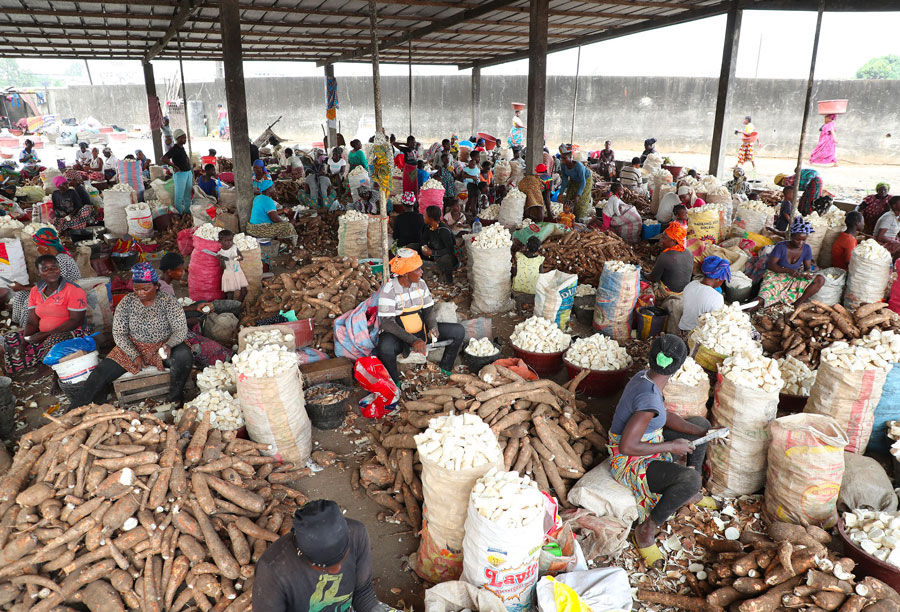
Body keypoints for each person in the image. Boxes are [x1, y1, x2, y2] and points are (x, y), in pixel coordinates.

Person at [608, 334, 711, 566]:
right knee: (690, 479)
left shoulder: (645, 378)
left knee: (701, 426)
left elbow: (663, 416)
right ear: (678, 366)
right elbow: (627, 446)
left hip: (646, 442)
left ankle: (689, 493)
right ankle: (646, 529)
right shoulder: (648, 400)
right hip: (630, 461)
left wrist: (701, 433)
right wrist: (672, 446)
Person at [72, 263, 193, 408]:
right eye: (136, 289)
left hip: (163, 345)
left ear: (156, 286)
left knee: (184, 357)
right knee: (100, 373)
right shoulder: (127, 302)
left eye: (145, 289)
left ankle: (174, 400)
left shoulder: (169, 302)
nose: (140, 292)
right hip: (133, 346)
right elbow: (119, 333)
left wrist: (169, 344)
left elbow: (180, 330)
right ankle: (73, 411)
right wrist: (133, 354)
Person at [252, 499, 389, 612]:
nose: (337, 570)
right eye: (326, 567)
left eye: (343, 557)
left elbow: (362, 590)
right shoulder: (272, 571)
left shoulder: (357, 533)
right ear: (301, 553)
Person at [374, 249, 466, 384]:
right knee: (384, 346)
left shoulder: (421, 284)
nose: (421, 272)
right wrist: (412, 340)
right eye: (417, 270)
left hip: (422, 332)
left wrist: (432, 327)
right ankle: (395, 382)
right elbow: (387, 323)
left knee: (458, 331)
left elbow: (428, 310)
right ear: (405, 273)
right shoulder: (389, 290)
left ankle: (445, 370)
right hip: (401, 337)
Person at [1, 254, 89, 375]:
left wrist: (44, 335)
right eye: (45, 268)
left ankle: (53, 373)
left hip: (73, 333)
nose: (51, 271)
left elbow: (76, 321)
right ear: (38, 272)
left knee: (52, 341)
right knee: (9, 340)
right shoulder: (35, 291)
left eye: (54, 267)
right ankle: (40, 360)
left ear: (59, 269)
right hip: (43, 334)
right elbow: (32, 321)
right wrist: (24, 343)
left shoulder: (74, 290)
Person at [759, 219, 825, 307]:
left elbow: (807, 268)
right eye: (798, 239)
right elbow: (770, 265)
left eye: (804, 240)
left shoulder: (806, 248)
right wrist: (788, 270)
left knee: (820, 279)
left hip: (793, 277)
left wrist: (806, 274)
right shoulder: (781, 246)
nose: (801, 243)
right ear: (791, 236)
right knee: (763, 298)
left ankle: (797, 304)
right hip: (776, 276)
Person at [678, 256, 729, 335]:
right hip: (695, 336)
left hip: (681, 329)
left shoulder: (691, 284)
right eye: (723, 279)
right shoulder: (717, 298)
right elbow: (716, 323)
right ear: (718, 279)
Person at [648, 223, 693, 295]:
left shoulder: (665, 256)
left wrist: (642, 272)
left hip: (669, 292)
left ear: (674, 241)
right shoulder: (688, 252)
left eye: (664, 238)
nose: (661, 240)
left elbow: (653, 278)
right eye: (662, 237)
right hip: (684, 291)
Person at [248, 178, 298, 243]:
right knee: (287, 226)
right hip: (260, 230)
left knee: (284, 224)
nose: (275, 190)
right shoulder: (268, 200)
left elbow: (269, 212)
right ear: (269, 189)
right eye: (273, 188)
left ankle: (281, 240)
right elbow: (275, 219)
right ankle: (286, 243)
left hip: (252, 228)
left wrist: (282, 210)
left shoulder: (258, 197)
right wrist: (290, 223)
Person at [421, 206, 457, 283]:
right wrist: (424, 247)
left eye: (425, 215)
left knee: (446, 259)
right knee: (412, 247)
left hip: (446, 256)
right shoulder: (428, 227)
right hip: (433, 254)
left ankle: (449, 282)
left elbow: (450, 249)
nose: (423, 217)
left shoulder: (443, 230)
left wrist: (432, 253)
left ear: (431, 219)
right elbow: (423, 239)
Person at [159, 129, 192, 214]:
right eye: (183, 138)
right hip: (180, 175)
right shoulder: (174, 148)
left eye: (185, 137)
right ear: (177, 138)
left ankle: (188, 213)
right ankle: (180, 215)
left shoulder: (181, 148)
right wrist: (174, 166)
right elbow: (163, 158)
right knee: (179, 197)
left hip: (188, 173)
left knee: (187, 196)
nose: (185, 139)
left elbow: (184, 158)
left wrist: (188, 163)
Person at [559, 149, 593, 220]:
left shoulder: (579, 166)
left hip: (585, 180)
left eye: (565, 158)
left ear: (571, 157)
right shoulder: (563, 165)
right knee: (568, 199)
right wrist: (561, 193)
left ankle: (579, 219)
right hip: (574, 180)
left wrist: (578, 195)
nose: (562, 160)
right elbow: (565, 180)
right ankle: (568, 218)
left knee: (580, 201)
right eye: (561, 158)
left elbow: (583, 181)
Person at [216, 230, 248, 301]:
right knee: (230, 294)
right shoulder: (221, 253)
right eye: (226, 241)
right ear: (220, 241)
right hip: (229, 274)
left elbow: (241, 257)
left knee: (244, 291)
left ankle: (238, 304)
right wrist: (221, 260)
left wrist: (235, 258)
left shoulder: (234, 247)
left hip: (238, 272)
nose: (229, 242)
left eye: (230, 240)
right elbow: (223, 268)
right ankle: (230, 307)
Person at [397, 135, 420, 201]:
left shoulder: (416, 148)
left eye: (414, 142)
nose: (414, 144)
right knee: (407, 185)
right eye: (412, 142)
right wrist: (405, 144)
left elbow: (419, 143)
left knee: (414, 185)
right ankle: (407, 200)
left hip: (414, 168)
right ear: (408, 143)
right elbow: (395, 144)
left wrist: (413, 143)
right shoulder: (406, 149)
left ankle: (414, 200)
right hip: (408, 168)